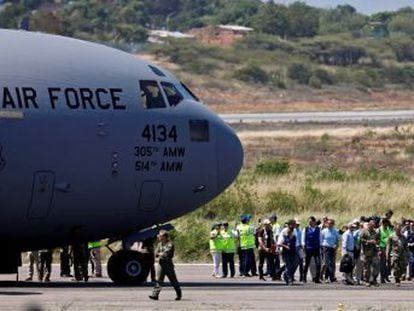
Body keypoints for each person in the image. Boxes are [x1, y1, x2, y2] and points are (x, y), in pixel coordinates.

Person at [149, 230, 181, 301]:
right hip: (160, 264)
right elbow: (156, 253)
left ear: (165, 237)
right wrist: (160, 254)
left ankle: (179, 294)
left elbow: (165, 254)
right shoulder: (160, 244)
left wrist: (160, 254)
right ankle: (155, 295)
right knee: (159, 281)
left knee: (173, 281)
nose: (159, 237)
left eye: (160, 236)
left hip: (168, 265)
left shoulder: (170, 245)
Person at [360, 218, 380, 287]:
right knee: (367, 268)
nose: (372, 226)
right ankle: (367, 281)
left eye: (373, 225)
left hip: (374, 252)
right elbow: (361, 239)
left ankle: (374, 279)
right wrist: (368, 242)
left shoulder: (375, 232)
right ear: (369, 225)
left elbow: (378, 240)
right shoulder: (364, 231)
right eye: (371, 225)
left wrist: (376, 242)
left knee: (376, 267)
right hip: (366, 253)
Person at [278, 219, 298, 285]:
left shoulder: (295, 231)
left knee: (294, 265)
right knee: (288, 266)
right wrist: (286, 246)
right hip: (286, 252)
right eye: (294, 224)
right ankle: (289, 279)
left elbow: (296, 242)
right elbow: (279, 243)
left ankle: (285, 275)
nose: (295, 225)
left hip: (293, 251)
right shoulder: (284, 232)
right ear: (290, 225)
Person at [320, 219, 341, 283]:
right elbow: (321, 239)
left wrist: (336, 245)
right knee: (327, 263)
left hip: (333, 248)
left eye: (330, 223)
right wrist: (322, 247)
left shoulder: (335, 231)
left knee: (332, 263)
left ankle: (332, 277)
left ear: (333, 224)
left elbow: (338, 239)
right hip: (326, 248)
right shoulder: (323, 231)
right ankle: (326, 277)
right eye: (328, 223)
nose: (329, 225)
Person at [302, 216, 321, 283]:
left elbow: (320, 238)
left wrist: (320, 245)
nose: (310, 223)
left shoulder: (318, 229)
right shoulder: (306, 229)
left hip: (316, 248)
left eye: (311, 222)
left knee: (318, 263)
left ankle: (317, 278)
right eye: (309, 222)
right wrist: (303, 245)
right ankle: (304, 277)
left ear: (314, 222)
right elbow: (303, 238)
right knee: (307, 263)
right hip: (309, 248)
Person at [378, 218, 393, 283]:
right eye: (386, 224)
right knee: (382, 264)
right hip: (382, 247)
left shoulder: (388, 229)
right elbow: (379, 239)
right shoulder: (379, 230)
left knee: (389, 263)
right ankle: (382, 278)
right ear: (383, 223)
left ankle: (386, 276)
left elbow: (391, 235)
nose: (387, 225)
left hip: (388, 248)